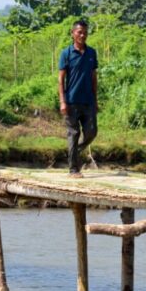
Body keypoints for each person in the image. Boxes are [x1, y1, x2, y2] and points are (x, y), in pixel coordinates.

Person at [58, 19, 99, 177]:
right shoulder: (66, 53)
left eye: (85, 32)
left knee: (92, 132)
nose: (83, 35)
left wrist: (95, 100)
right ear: (73, 33)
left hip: (88, 101)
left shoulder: (91, 53)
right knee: (73, 134)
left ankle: (73, 153)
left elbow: (94, 77)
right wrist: (62, 101)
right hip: (71, 102)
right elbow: (61, 79)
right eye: (79, 32)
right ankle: (73, 169)